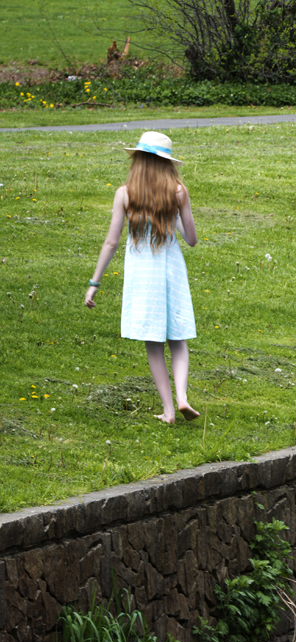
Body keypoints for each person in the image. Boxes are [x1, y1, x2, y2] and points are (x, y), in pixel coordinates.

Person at [85, 131, 200, 423]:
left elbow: (111, 242)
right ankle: (183, 397)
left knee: (153, 343)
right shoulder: (178, 191)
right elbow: (191, 239)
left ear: (137, 160)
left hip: (142, 274)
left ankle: (169, 410)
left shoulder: (125, 193)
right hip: (171, 269)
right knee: (178, 339)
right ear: (167, 164)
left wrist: (94, 283)